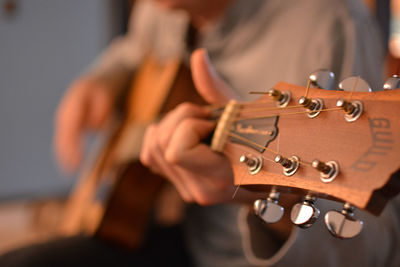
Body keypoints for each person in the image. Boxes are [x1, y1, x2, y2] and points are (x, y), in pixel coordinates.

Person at [2, 0, 398, 266]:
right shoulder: (160, 9)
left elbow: (375, 248)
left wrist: (254, 192)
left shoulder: (330, 23)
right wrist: (102, 80)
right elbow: (134, 48)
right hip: (174, 233)